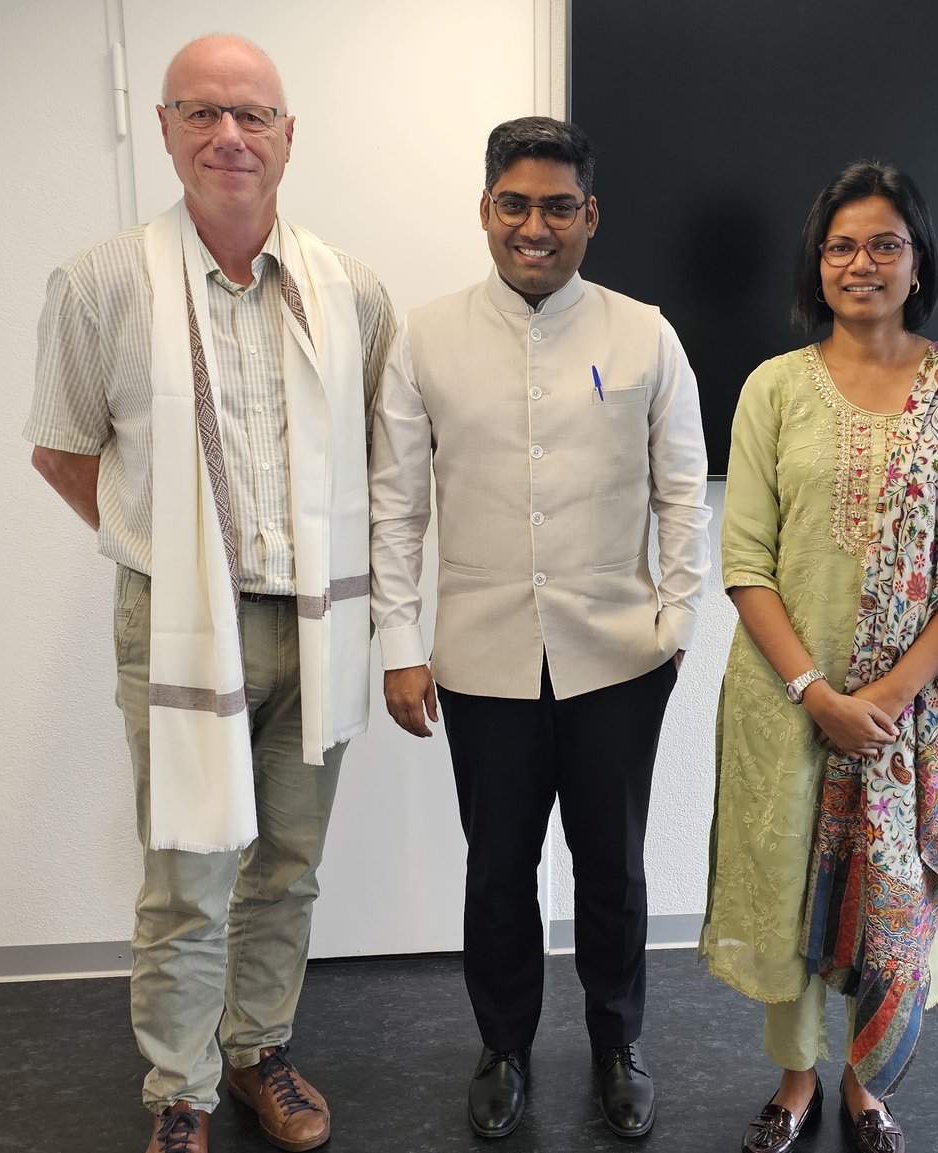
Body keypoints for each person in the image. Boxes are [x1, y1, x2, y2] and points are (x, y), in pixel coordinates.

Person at [24, 34, 394, 1153]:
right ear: (167, 129)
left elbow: (381, 459)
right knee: (186, 872)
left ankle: (256, 1051)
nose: (228, 136)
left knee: (286, 863)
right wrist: (168, 555)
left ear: (289, 138)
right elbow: (62, 450)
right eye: (202, 113)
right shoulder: (99, 281)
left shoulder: (353, 292)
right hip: (182, 622)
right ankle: (175, 1093)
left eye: (251, 116)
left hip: (318, 621)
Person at [368, 116, 712, 1140]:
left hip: (615, 654)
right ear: (485, 209)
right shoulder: (424, 338)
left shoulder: (641, 333)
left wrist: (675, 622)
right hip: (479, 656)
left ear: (588, 217)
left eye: (557, 207)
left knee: (612, 866)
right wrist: (400, 643)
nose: (534, 225)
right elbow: (395, 505)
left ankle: (617, 1043)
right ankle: (503, 1045)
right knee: (498, 864)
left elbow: (682, 493)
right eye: (513, 203)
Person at [699, 161, 938, 1153]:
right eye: (840, 245)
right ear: (817, 261)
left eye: (884, 242)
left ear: (917, 260)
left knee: (890, 907)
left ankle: (865, 1083)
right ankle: (795, 1081)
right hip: (784, 701)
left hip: (908, 718)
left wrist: (883, 692)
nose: (860, 263)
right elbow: (744, 558)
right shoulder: (772, 388)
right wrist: (815, 690)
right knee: (793, 893)